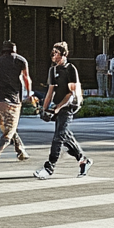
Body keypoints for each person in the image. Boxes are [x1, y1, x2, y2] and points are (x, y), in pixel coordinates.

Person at [34, 42, 92, 179]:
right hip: (59, 105)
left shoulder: (70, 69)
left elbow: (71, 94)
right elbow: (50, 92)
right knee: (65, 135)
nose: (53, 55)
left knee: (58, 137)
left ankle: (49, 168)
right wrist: (44, 109)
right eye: (52, 52)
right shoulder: (53, 70)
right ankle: (83, 160)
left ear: (63, 54)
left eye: (56, 52)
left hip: (69, 105)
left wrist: (58, 107)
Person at [0, 40, 34, 175]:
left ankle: (20, 150)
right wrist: (29, 93)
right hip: (13, 101)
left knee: (9, 128)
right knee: (8, 133)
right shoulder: (20, 60)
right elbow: (26, 78)